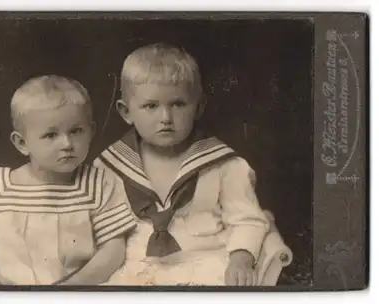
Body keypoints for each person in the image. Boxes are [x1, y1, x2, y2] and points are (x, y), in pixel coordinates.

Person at [0, 75, 137, 285]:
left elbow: (113, 250)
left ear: (91, 131)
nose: (67, 143)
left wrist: (70, 289)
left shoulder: (99, 183)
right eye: (50, 135)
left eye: (76, 131)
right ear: (22, 143)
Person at [93, 43, 271, 286]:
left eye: (177, 104)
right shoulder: (108, 166)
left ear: (198, 107)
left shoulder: (224, 165)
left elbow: (247, 220)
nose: (165, 118)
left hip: (203, 268)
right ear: (126, 112)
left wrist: (241, 260)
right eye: (151, 106)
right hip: (135, 271)